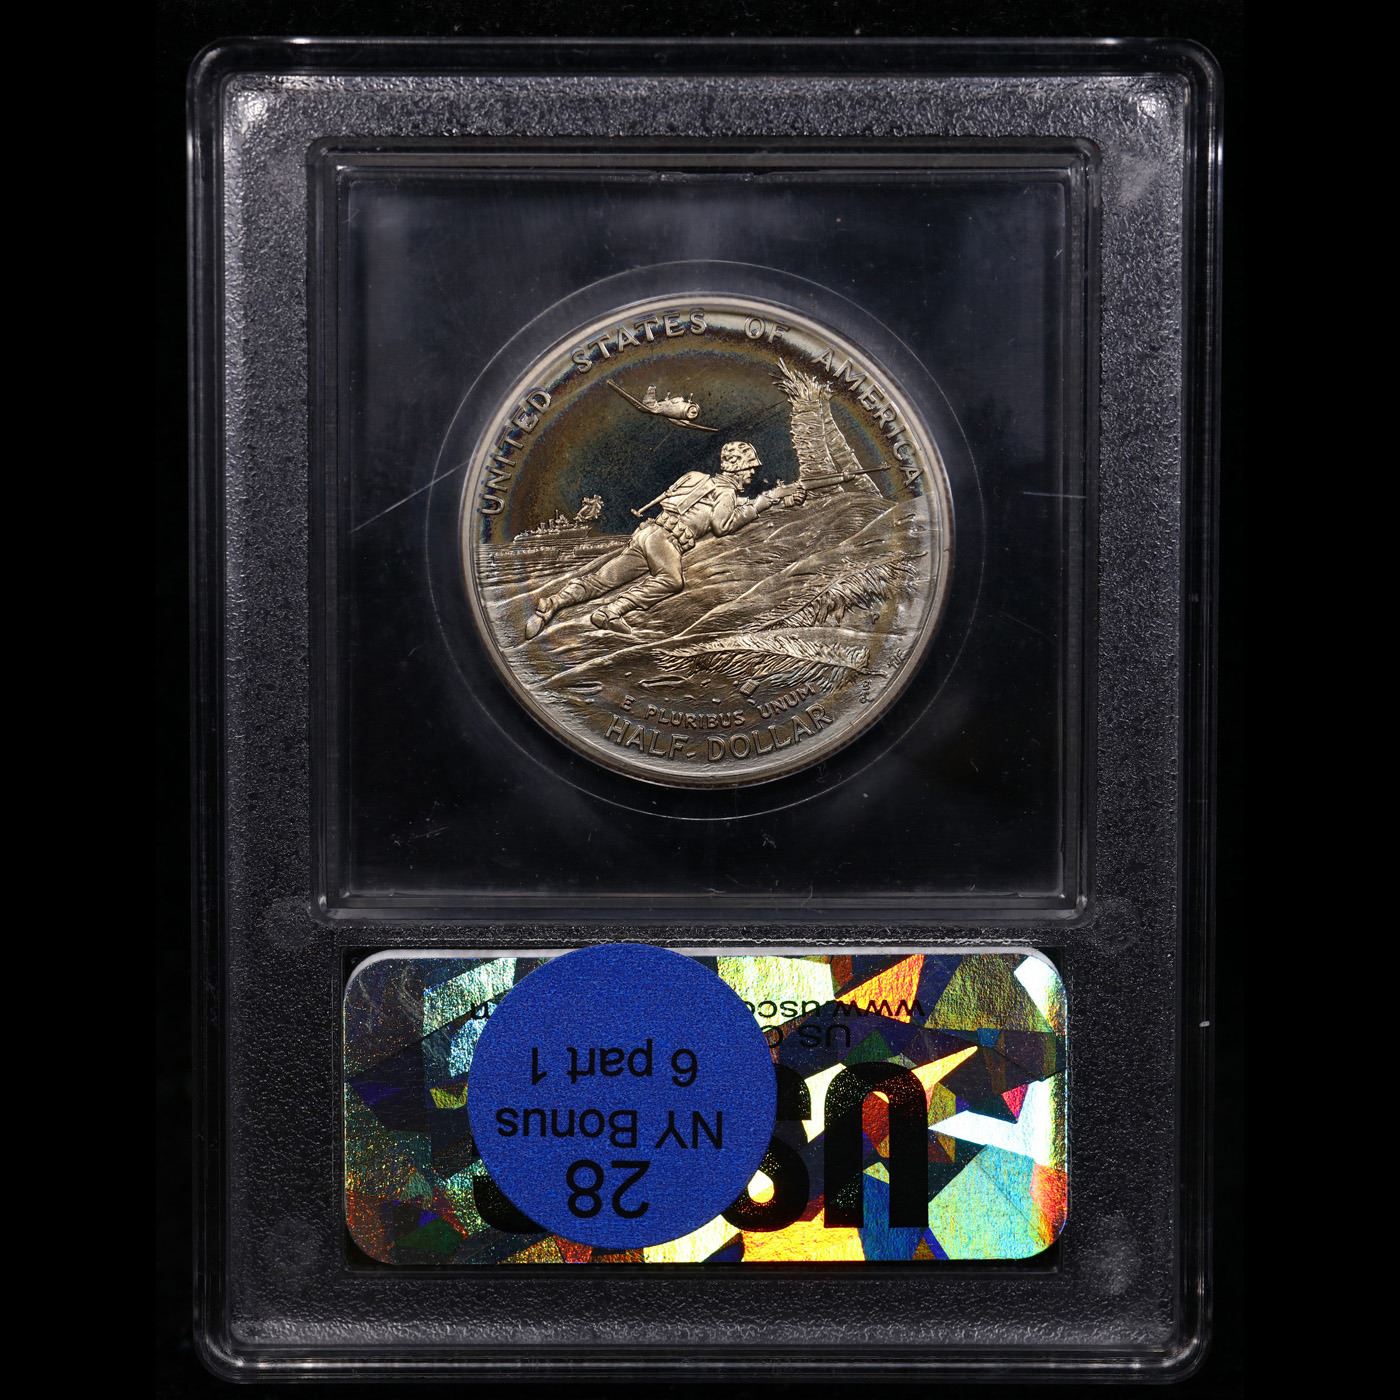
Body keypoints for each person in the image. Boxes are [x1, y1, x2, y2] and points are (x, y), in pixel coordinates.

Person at [524, 441, 805, 637]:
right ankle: (611, 611)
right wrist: (762, 504)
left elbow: (710, 505)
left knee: (602, 580)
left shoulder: (698, 477)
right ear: (738, 468)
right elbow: (723, 525)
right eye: (749, 468)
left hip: (648, 533)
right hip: (666, 541)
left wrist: (775, 499)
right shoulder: (726, 493)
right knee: (671, 580)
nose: (752, 474)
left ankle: (553, 603)